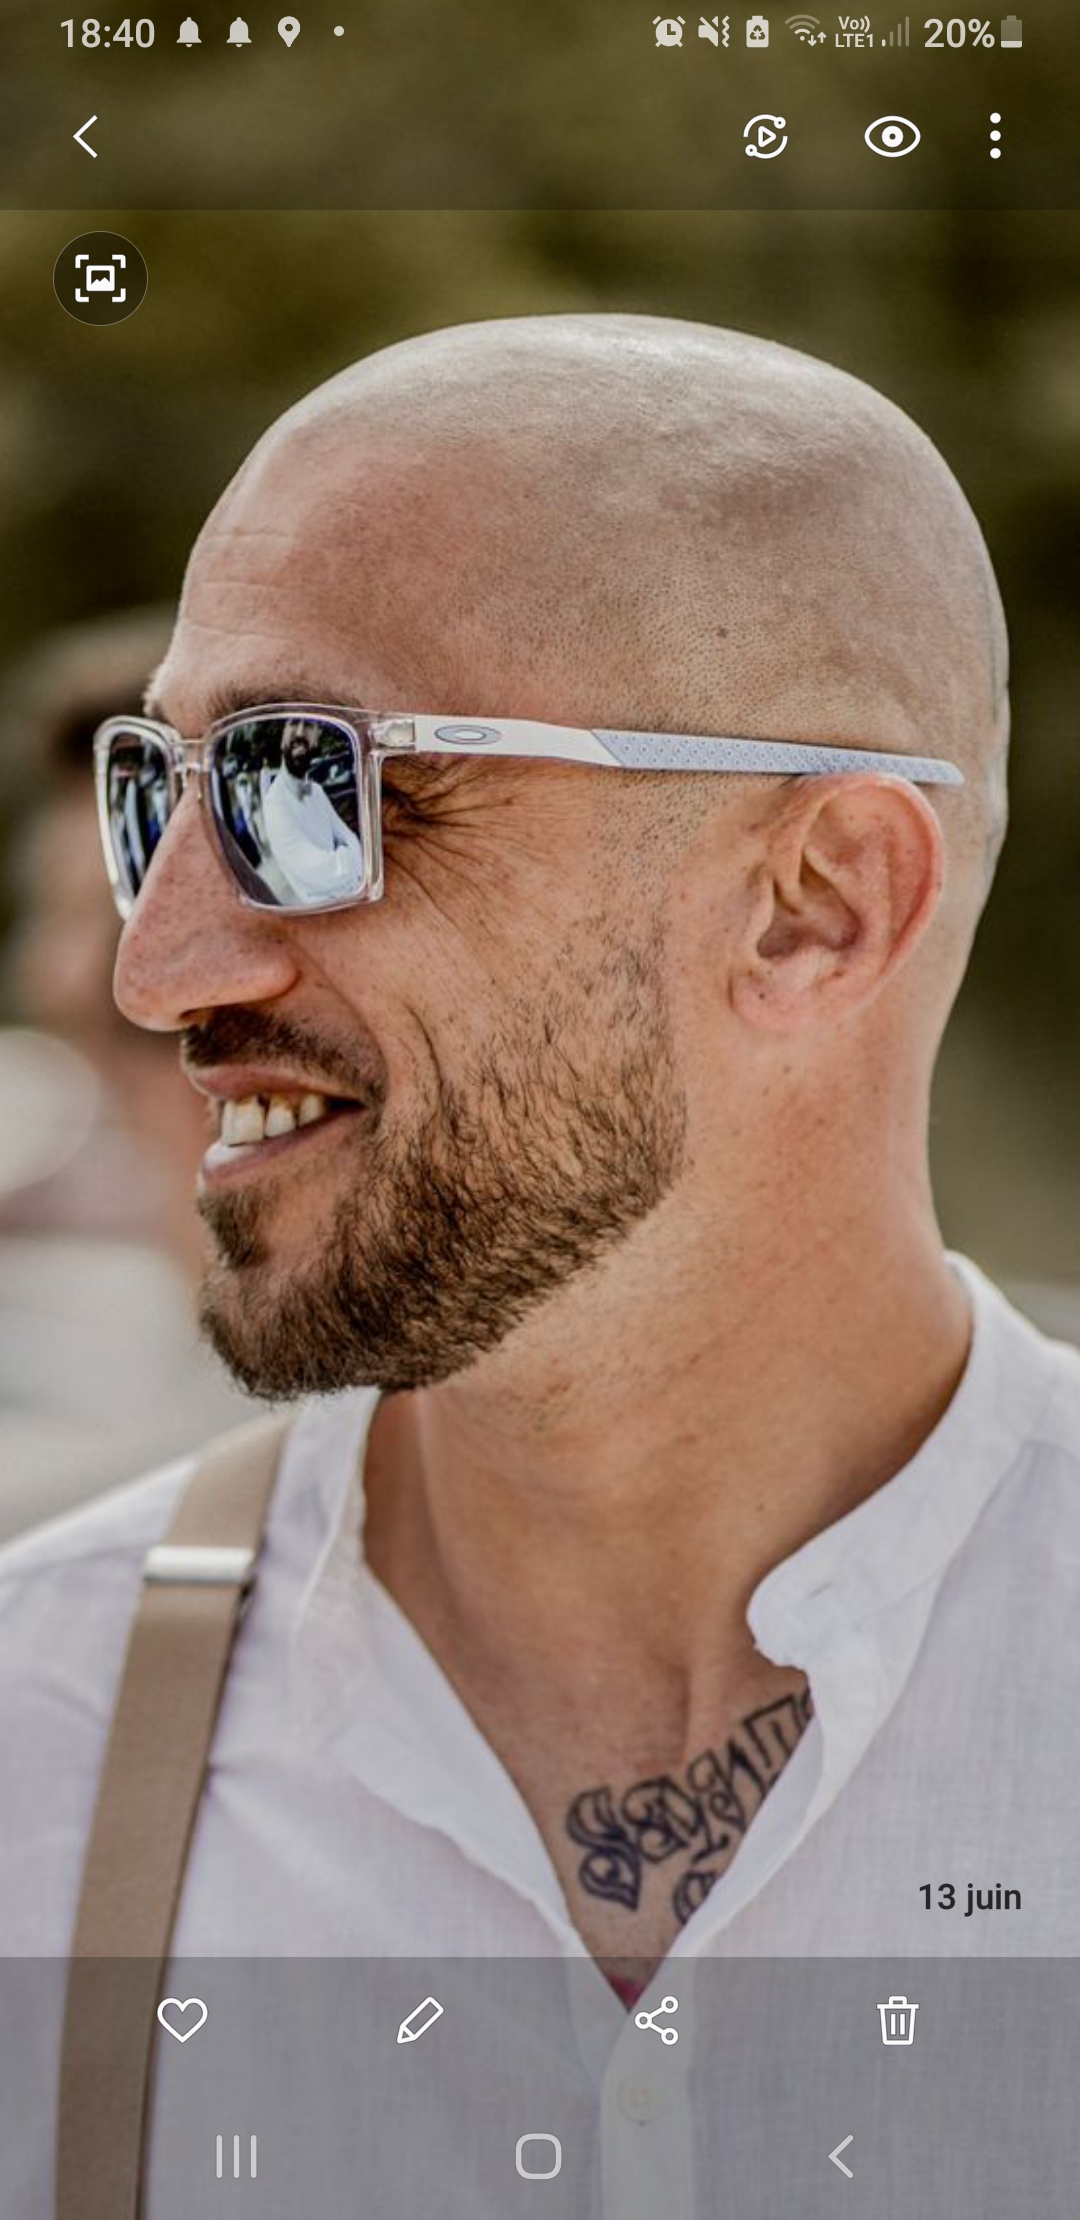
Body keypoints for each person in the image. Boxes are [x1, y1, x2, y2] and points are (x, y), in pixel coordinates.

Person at [1, 316, 1078, 2006]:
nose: (160, 970)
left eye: (311, 784)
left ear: (815, 906)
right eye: (163, 795)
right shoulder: (38, 1748)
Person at [261, 722, 363, 902]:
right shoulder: (274, 803)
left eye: (308, 725)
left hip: (351, 895)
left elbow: (348, 836)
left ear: (317, 738)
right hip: (325, 911)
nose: (300, 732)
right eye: (294, 723)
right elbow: (318, 871)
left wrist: (347, 857)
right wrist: (353, 859)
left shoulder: (317, 791)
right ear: (282, 737)